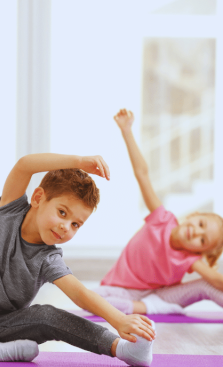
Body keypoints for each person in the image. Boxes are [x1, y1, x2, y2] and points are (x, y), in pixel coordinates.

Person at [0, 153, 156, 367]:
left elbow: (79, 293)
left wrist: (119, 320)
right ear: (37, 198)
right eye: (62, 212)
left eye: (76, 224)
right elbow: (24, 165)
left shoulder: (49, 258)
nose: (66, 226)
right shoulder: (9, 210)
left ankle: (122, 350)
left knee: (47, 315)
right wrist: (78, 161)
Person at [93, 109, 223, 316]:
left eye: (202, 241)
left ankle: (150, 307)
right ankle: (146, 309)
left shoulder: (189, 259)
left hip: (160, 296)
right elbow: (142, 174)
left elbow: (216, 281)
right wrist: (126, 131)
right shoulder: (162, 219)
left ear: (199, 251)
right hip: (122, 292)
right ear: (194, 215)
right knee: (92, 299)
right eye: (201, 225)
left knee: (205, 286)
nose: (196, 233)